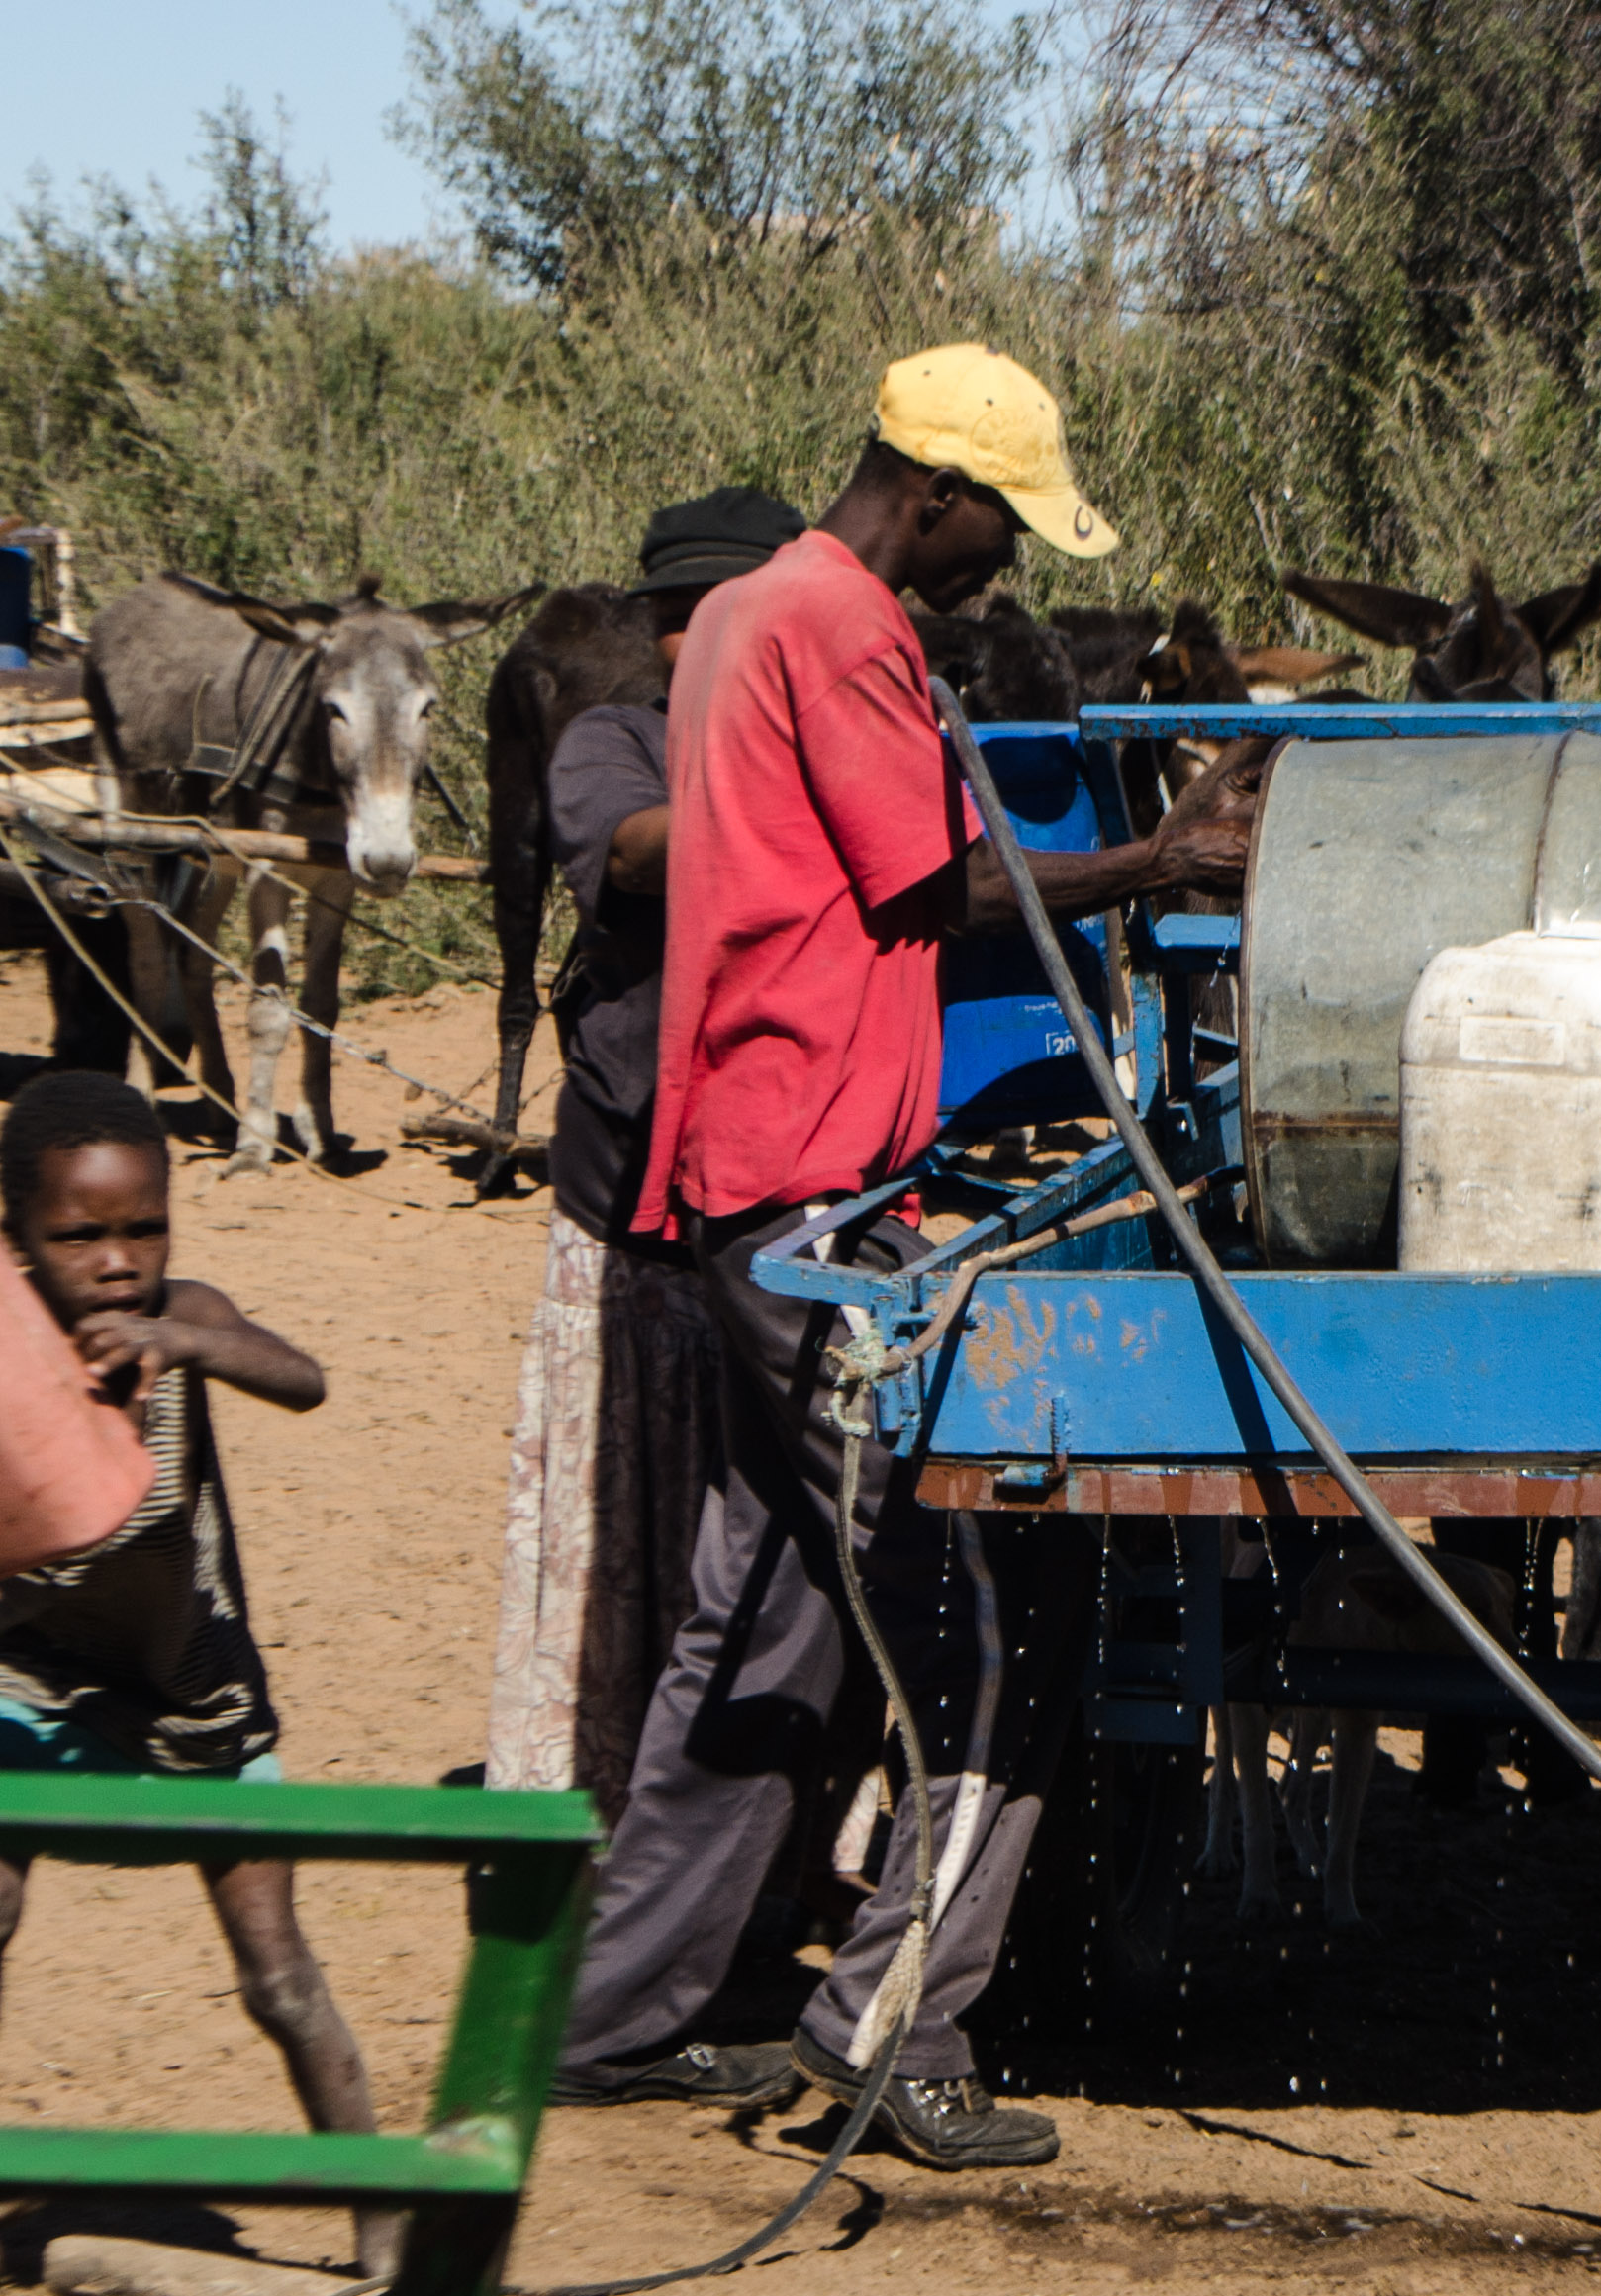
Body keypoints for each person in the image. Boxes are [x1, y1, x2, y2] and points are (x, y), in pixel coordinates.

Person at [550, 344, 1267, 2163]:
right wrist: (1162, 860)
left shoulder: (736, 618)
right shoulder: (848, 626)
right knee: (981, 1617)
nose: (998, 573)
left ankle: (618, 2011)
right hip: (812, 1194)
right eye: (994, 532)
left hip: (732, 1184)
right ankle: (895, 2027)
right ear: (927, 491)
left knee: (766, 1607)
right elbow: (937, 897)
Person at [0, 1072, 398, 2270]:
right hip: (39, 1675)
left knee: (279, 1976)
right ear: (19, 1241)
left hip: (199, 1689)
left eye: (142, 1228)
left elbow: (302, 1377)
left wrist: (186, 1339)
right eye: (78, 1235)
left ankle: (385, 2224)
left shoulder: (186, 1317)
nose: (117, 1261)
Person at [490, 489, 806, 1827]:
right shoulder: (620, 743)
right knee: (643, 1532)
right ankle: (617, 1826)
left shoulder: (803, 738)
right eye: (694, 623)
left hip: (775, 1214)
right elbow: (631, 858)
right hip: (636, 1214)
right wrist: (784, 785)